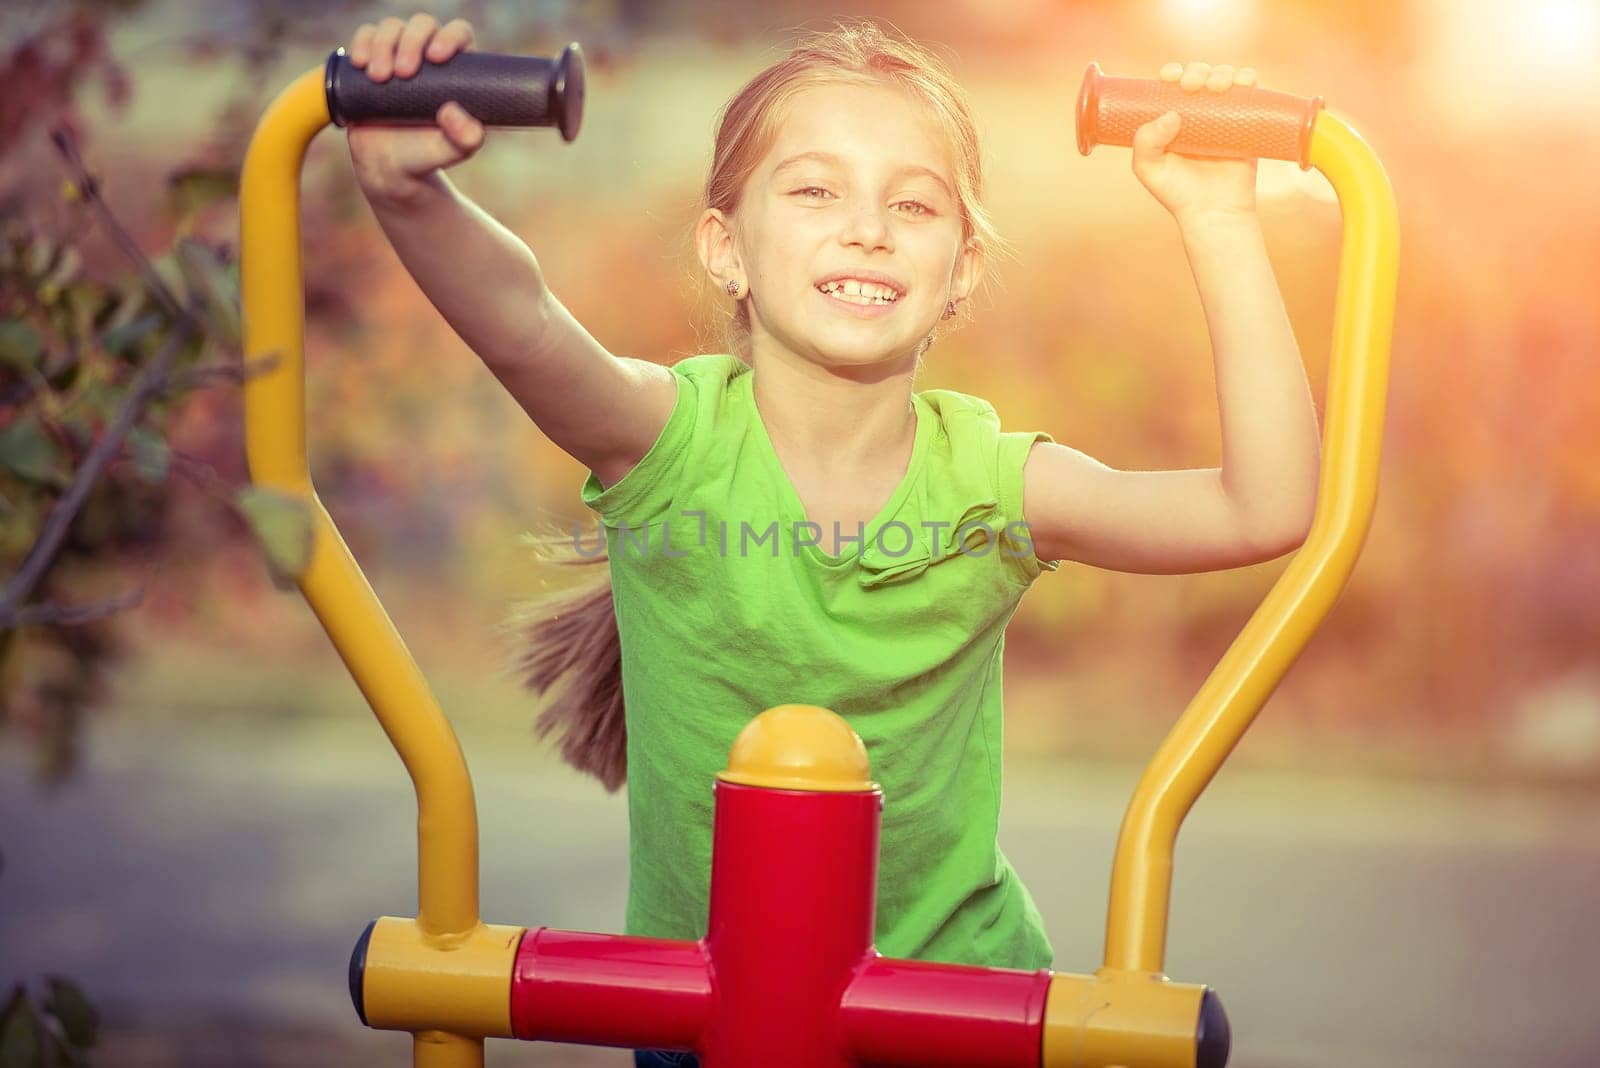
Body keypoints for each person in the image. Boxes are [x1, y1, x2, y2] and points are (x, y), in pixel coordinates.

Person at [344, 14, 1319, 1067]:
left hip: (953, 1011)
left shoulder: (992, 485)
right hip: (706, 1011)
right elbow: (522, 319)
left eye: (912, 204)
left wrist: (1221, 221)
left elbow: (1259, 509)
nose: (867, 228)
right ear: (727, 248)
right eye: (814, 191)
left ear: (961, 270)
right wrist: (407, 194)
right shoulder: (668, 446)